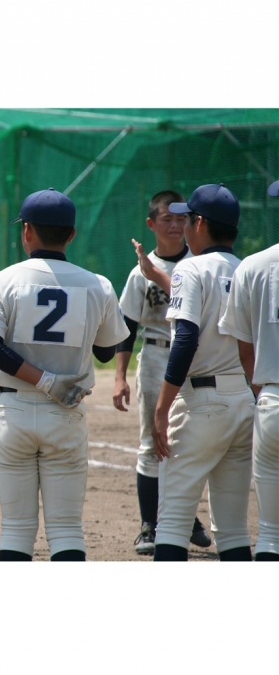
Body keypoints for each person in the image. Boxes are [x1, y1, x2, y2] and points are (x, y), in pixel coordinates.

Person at [0, 188, 129, 561]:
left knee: (15, 529)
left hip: (14, 413)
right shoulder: (98, 284)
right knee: (66, 529)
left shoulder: (3, 280)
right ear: (71, 235)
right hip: (65, 414)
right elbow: (106, 351)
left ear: (26, 230)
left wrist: (41, 379)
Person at [152, 183, 255, 562]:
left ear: (200, 223)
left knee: (172, 522)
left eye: (188, 219)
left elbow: (185, 339)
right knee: (233, 529)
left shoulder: (189, 268)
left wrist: (162, 407)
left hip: (201, 404)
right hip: (243, 401)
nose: (183, 226)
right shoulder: (247, 270)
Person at [113, 190, 211, 555]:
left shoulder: (198, 264)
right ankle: (149, 525)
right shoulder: (140, 272)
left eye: (180, 218)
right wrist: (120, 377)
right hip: (156, 356)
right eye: (167, 219)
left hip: (197, 359)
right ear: (151, 224)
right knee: (151, 441)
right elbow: (127, 327)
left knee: (190, 442)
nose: (174, 225)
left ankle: (185, 517)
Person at [217, 180, 279, 561]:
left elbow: (245, 350)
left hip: (272, 399)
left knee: (270, 531)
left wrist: (264, 394)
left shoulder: (253, 266)